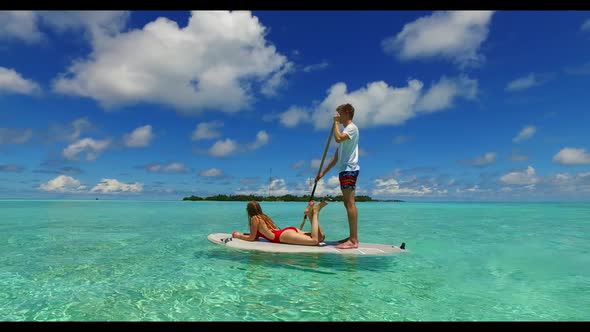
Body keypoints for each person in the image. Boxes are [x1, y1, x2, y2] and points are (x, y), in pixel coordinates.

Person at [315, 103, 360, 249]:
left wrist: (335, 123)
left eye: (339, 112)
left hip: (349, 169)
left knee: (349, 203)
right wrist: (322, 173)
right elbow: (335, 158)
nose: (337, 115)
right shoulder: (346, 131)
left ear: (346, 112)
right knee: (347, 203)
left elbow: (338, 138)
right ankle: (352, 237)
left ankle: (353, 240)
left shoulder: (351, 128)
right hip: (344, 170)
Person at [232, 200, 327, 246]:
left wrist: (239, 236)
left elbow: (252, 238)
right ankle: (309, 214)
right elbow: (256, 235)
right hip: (286, 231)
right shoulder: (264, 217)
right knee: (321, 237)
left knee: (314, 241)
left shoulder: (254, 218)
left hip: (281, 236)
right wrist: (247, 234)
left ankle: (315, 213)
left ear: (249, 211)